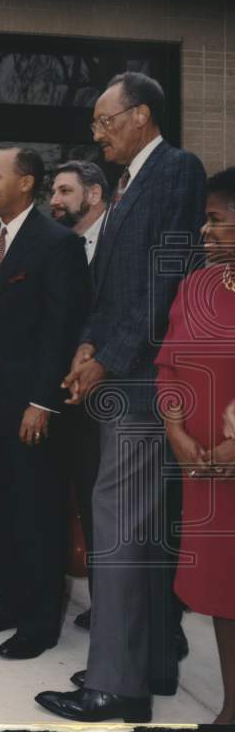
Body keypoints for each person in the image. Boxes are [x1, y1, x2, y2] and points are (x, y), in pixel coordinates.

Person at [37, 72, 208, 723]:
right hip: (120, 374)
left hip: (139, 383)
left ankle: (117, 686)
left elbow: (162, 281)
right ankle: (136, 666)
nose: (97, 131)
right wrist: (87, 345)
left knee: (122, 536)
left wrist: (108, 358)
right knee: (132, 535)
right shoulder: (130, 183)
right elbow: (109, 288)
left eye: (106, 119)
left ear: (140, 116)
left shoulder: (176, 170)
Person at [0, 147, 89, 659]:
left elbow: (61, 332)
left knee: (37, 515)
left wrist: (42, 402)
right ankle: (7, 604)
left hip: (31, 412)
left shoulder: (58, 246)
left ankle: (40, 624)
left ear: (25, 183)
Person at [154, 168, 235, 724]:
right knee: (223, 591)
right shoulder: (197, 285)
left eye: (216, 221)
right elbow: (169, 365)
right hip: (204, 474)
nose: (205, 233)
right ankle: (232, 707)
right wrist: (177, 431)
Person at [48, 159, 109, 629]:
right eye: (53, 190)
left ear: (93, 195)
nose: (55, 200)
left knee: (114, 508)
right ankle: (103, 601)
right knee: (83, 502)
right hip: (68, 399)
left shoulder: (117, 241)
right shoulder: (61, 248)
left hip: (115, 397)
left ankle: (145, 614)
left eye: (65, 191)